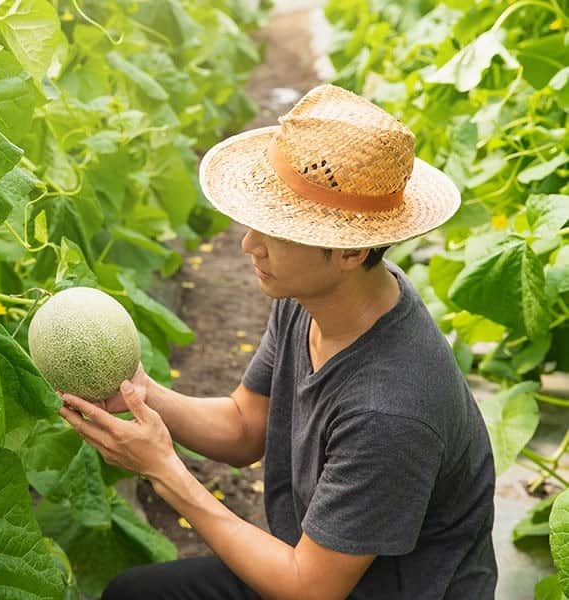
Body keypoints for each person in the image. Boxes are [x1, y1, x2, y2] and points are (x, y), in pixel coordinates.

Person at [57, 84, 497, 599]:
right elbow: (245, 426)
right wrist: (140, 391)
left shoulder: (389, 410)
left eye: (278, 231)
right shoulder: (314, 295)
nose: (249, 244)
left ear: (351, 252)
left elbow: (308, 589)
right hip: (320, 566)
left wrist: (164, 471)